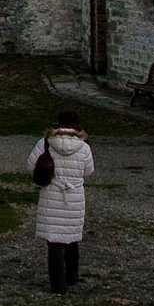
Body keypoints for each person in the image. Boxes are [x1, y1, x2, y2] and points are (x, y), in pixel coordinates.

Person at [26, 109, 94, 294]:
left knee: (54, 242)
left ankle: (58, 285)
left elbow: (31, 165)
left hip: (52, 194)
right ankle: (72, 275)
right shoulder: (84, 147)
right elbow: (88, 171)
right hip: (74, 197)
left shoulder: (45, 143)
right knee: (71, 238)